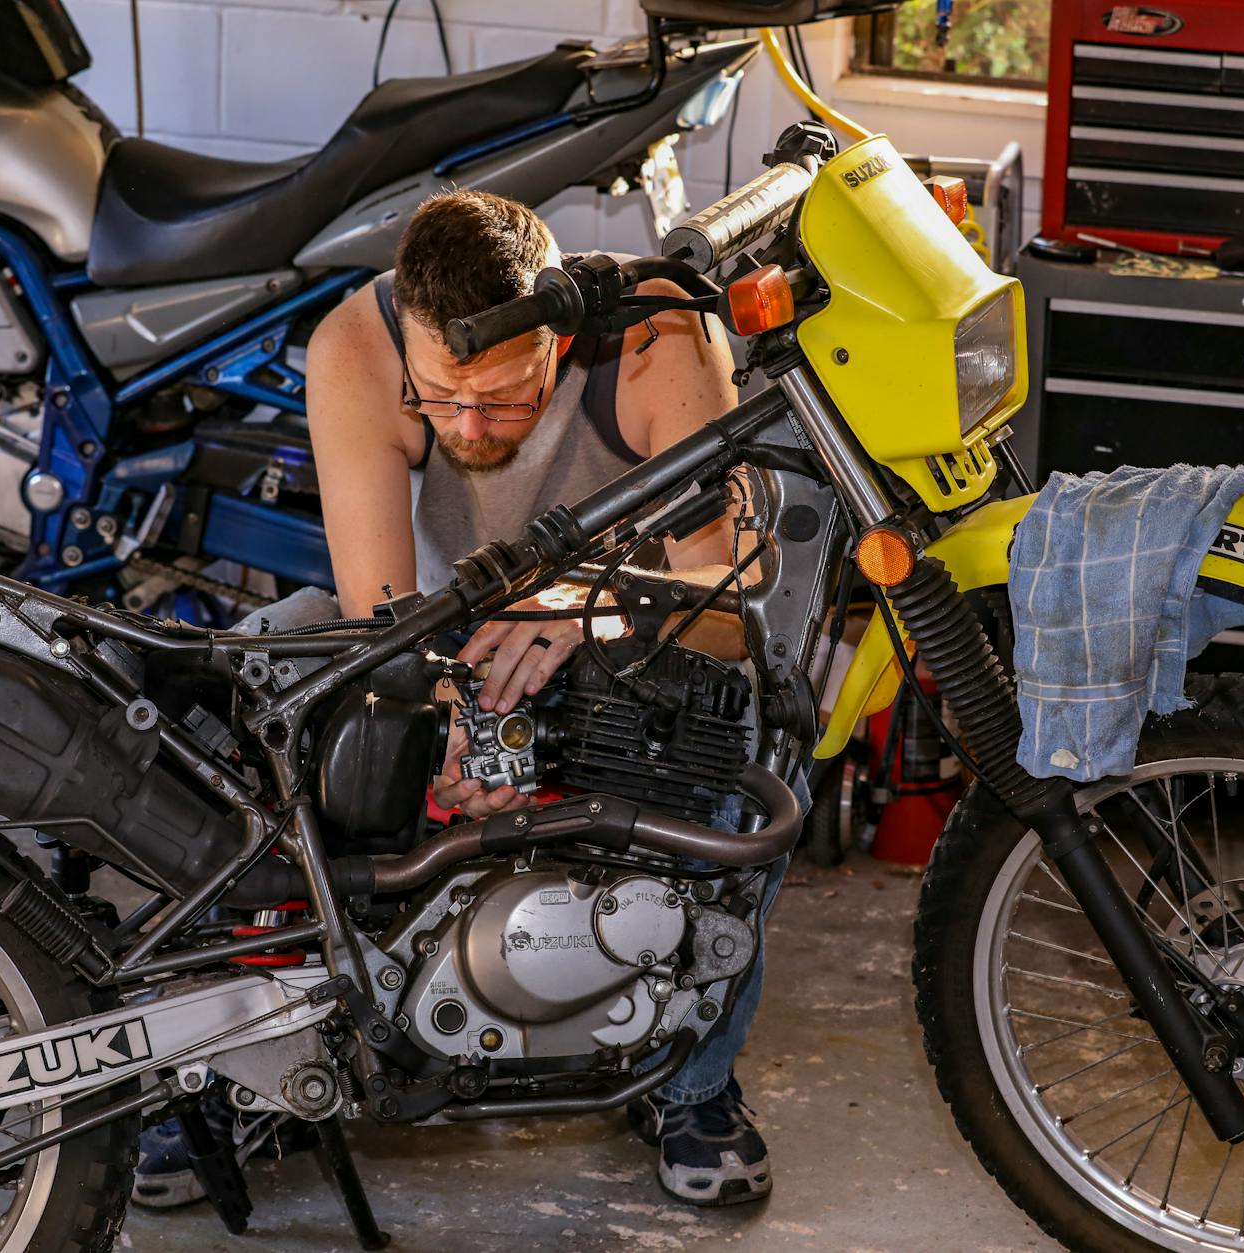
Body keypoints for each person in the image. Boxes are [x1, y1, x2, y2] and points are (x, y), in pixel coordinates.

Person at [133, 189, 779, 1210]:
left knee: (748, 737)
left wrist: (587, 613)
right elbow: (376, 619)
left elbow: (732, 588)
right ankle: (244, 1057)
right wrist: (450, 728)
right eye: (443, 397)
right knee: (264, 688)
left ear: (558, 341)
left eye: (509, 395)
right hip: (435, 642)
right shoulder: (356, 345)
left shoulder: (654, 329)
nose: (472, 425)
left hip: (617, 653)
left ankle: (690, 1081)